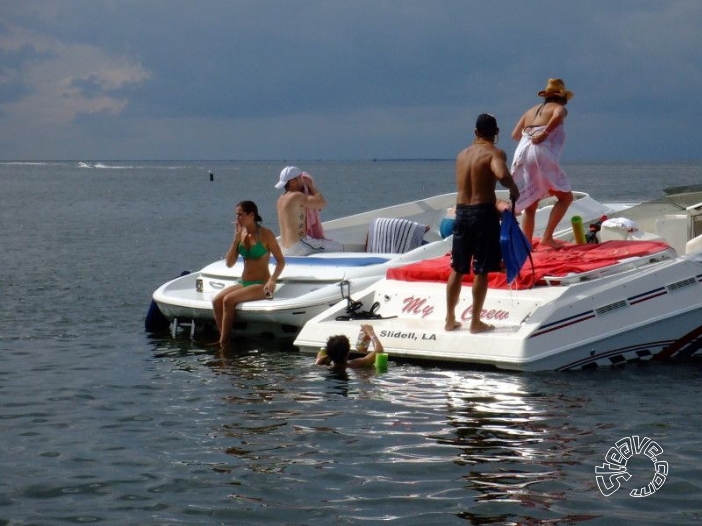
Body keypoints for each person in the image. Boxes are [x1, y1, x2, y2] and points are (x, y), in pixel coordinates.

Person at [445, 114, 520, 334]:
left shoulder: (462, 155)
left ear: (475, 132)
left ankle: (450, 319)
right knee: (481, 270)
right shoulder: (494, 153)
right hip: (482, 215)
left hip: (461, 213)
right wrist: (513, 187)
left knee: (457, 269)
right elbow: (502, 173)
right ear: (496, 133)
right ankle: (475, 322)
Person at [511, 78, 574, 248]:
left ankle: (527, 244)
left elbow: (516, 135)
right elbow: (558, 115)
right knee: (566, 197)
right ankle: (547, 238)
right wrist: (545, 133)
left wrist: (532, 135)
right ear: (562, 98)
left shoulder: (530, 111)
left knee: (531, 204)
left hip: (523, 154)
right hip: (539, 154)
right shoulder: (560, 108)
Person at [212, 200, 285, 347]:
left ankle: (223, 343)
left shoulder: (265, 234)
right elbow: (229, 263)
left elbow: (281, 261)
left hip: (262, 285)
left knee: (228, 300)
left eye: (240, 215)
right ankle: (224, 337)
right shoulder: (241, 234)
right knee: (216, 300)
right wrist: (235, 240)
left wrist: (272, 280)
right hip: (244, 282)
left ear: (251, 215)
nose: (237, 218)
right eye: (236, 215)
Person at [275, 166, 343, 256]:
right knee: (338, 246)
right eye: (300, 178)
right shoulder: (296, 196)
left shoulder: (281, 199)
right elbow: (322, 203)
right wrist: (311, 186)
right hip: (299, 246)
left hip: (285, 248)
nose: (303, 181)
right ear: (293, 182)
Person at [315, 324, 384, 370]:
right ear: (348, 353)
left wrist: (329, 355)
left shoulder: (321, 364)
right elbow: (379, 350)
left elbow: (323, 352)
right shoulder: (355, 365)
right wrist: (370, 332)